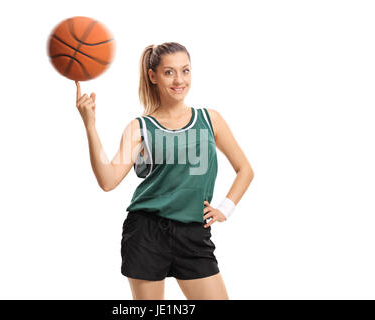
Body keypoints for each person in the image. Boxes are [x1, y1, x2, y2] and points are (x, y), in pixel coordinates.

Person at [75, 42, 254, 300]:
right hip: (146, 232)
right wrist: (90, 125)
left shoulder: (210, 119)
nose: (179, 79)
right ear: (153, 76)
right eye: (169, 72)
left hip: (194, 232)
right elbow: (108, 179)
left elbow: (245, 169)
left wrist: (225, 209)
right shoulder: (140, 127)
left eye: (185, 71)